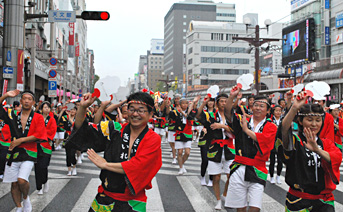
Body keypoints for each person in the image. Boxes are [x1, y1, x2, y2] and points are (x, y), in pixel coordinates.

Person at [65, 91, 162, 212]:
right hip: (105, 198)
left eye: (141, 110)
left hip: (133, 202)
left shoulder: (153, 138)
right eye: (131, 109)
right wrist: (83, 108)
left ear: (150, 114)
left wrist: (105, 164)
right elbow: (85, 131)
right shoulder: (114, 129)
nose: (135, 114)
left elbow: (138, 166)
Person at [277, 91, 342, 211]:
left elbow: (337, 158)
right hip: (298, 200)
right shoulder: (296, 141)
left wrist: (317, 150)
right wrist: (294, 107)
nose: (314, 124)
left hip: (324, 201)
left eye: (318, 120)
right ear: (300, 121)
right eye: (309, 119)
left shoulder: (325, 143)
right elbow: (283, 131)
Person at [224, 85, 277, 212]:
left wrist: (246, 131)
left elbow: (265, 141)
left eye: (262, 106)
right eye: (256, 105)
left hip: (258, 168)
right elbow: (228, 113)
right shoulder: (243, 120)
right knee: (240, 207)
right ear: (252, 107)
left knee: (255, 207)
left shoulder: (271, 126)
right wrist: (232, 96)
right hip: (239, 166)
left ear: (268, 110)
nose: (258, 108)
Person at [0, 90, 47, 212]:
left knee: (21, 180)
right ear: (20, 101)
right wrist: (5, 95)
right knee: (14, 183)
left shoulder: (38, 117)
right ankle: (19, 207)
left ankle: (25, 198)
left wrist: (20, 140)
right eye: (24, 99)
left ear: (33, 102)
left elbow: (39, 134)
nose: (26, 101)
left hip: (29, 151)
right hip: (13, 152)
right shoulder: (13, 114)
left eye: (29, 99)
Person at [196, 94, 235, 210]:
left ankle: (225, 195)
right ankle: (218, 200)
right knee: (216, 177)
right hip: (214, 149)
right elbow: (198, 115)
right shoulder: (211, 115)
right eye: (221, 101)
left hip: (229, 149)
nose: (223, 103)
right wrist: (203, 103)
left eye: (225, 101)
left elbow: (236, 131)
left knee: (231, 176)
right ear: (217, 103)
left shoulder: (232, 116)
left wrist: (222, 126)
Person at [34, 101, 57, 195]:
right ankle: (39, 187)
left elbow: (53, 130)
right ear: (41, 109)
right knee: (37, 167)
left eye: (48, 107)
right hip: (36, 145)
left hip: (46, 145)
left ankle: (45, 181)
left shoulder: (51, 119)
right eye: (44, 107)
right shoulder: (37, 118)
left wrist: (44, 135)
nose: (46, 109)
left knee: (43, 166)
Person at [196, 97, 215, 187]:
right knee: (205, 159)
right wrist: (203, 103)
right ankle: (203, 176)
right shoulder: (204, 112)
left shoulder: (217, 113)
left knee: (212, 160)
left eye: (212, 101)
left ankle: (211, 179)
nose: (210, 103)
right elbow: (198, 114)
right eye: (209, 101)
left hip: (215, 138)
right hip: (204, 137)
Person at [269, 105, 283, 184]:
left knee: (280, 161)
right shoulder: (270, 120)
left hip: (281, 143)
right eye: (276, 111)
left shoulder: (283, 120)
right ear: (273, 111)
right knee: (272, 161)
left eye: (279, 111)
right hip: (272, 142)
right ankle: (271, 176)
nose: (278, 112)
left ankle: (278, 176)